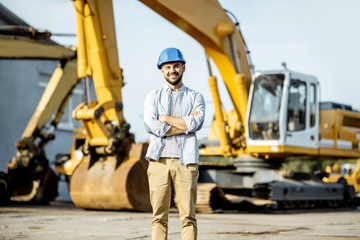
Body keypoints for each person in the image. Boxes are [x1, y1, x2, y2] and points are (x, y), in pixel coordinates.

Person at [144, 47, 205, 240]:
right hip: (158, 162)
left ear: (183, 68)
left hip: (186, 162)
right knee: (159, 217)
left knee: (188, 217)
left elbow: (197, 123)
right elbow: (151, 125)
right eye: (168, 67)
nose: (172, 70)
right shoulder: (153, 97)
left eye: (176, 66)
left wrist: (165, 118)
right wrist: (185, 123)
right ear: (162, 70)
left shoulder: (196, 97)